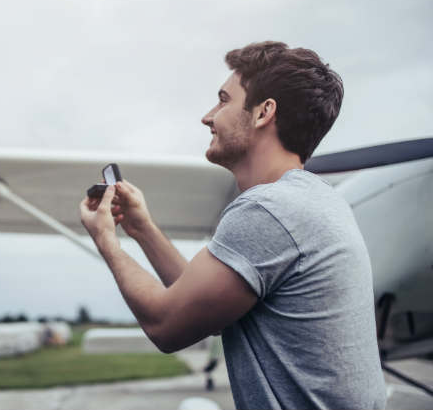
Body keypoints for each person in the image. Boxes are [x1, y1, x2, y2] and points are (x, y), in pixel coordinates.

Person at [80, 41, 386, 409]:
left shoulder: (269, 210)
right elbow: (199, 305)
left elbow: (166, 325)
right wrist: (142, 228)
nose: (208, 117)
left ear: (263, 113)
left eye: (223, 100)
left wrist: (106, 240)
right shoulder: (313, 201)